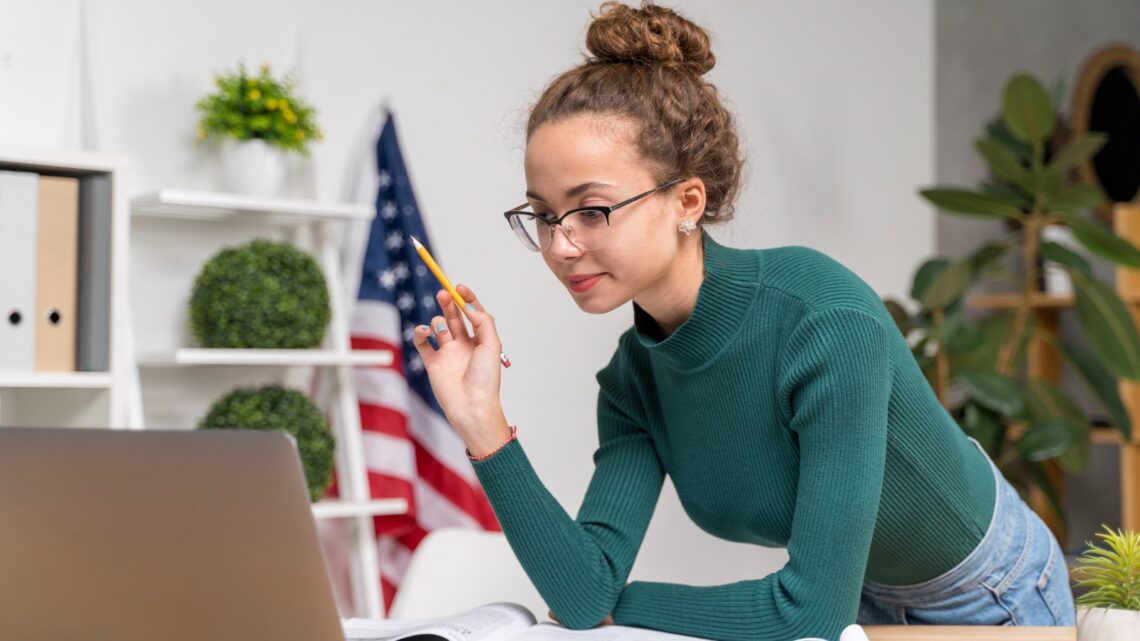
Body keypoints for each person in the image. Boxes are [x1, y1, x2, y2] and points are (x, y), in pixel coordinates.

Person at [410, 2, 1076, 639]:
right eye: (544, 215)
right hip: (862, 595)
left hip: (988, 595)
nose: (561, 245)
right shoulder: (633, 380)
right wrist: (481, 421)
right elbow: (584, 594)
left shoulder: (823, 320)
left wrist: (623, 604)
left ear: (687, 202)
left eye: (592, 210)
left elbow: (809, 614)